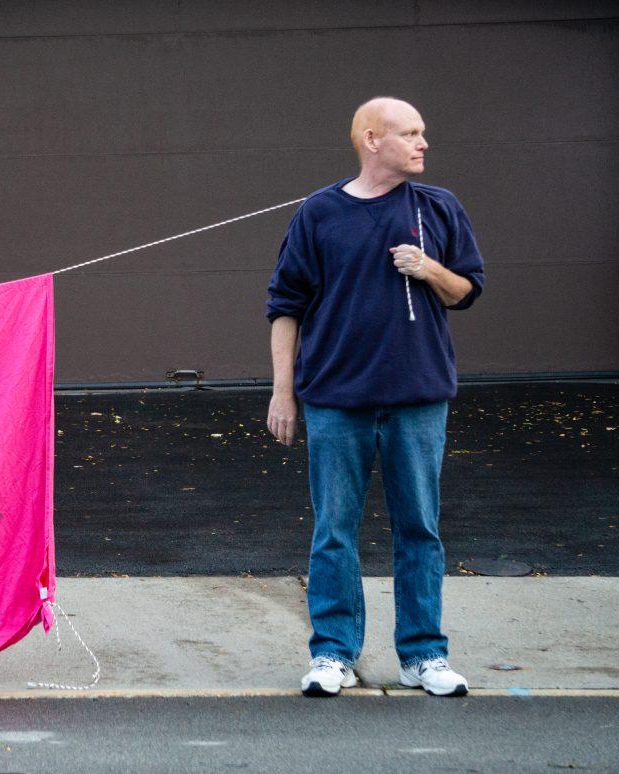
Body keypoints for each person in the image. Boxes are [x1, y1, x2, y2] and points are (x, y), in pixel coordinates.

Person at [264, 97, 485, 697]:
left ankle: (423, 656)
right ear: (370, 139)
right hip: (336, 400)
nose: (423, 143)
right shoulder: (319, 214)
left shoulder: (438, 207)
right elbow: (285, 307)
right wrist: (284, 393)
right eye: (409, 133)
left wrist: (429, 269)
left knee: (420, 528)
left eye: (423, 131)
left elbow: (466, 290)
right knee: (334, 529)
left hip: (418, 400)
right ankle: (333, 654)